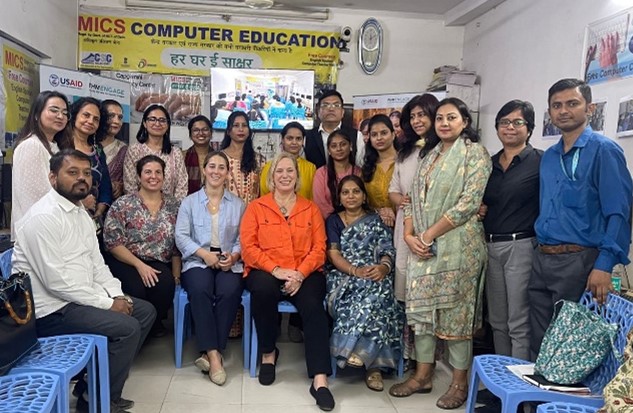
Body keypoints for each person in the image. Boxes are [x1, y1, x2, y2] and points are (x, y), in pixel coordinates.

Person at [12, 149, 156, 413]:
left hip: (79, 299)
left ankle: (92, 383)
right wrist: (107, 304)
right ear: (52, 177)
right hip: (52, 311)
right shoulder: (42, 218)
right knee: (127, 328)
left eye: (87, 173)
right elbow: (57, 283)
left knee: (145, 312)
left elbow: (96, 265)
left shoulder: (80, 213)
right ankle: (101, 400)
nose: (82, 178)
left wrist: (118, 296)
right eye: (73, 172)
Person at [389, 98, 491, 410]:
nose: (444, 123)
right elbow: (411, 200)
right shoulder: (429, 155)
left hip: (458, 248)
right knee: (421, 316)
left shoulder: (475, 154)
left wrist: (427, 234)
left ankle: (459, 383)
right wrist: (409, 234)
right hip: (422, 247)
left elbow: (468, 203)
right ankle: (422, 376)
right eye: (441, 118)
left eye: (452, 117)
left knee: (456, 318)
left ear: (465, 122)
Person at [529, 78, 633, 358]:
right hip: (542, 258)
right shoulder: (549, 156)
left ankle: (559, 401)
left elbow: (619, 212)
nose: (563, 111)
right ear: (549, 112)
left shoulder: (604, 151)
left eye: (572, 104)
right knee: (539, 338)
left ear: (590, 108)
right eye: (556, 105)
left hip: (579, 260)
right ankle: (535, 403)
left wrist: (604, 264)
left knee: (569, 346)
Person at [240, 152, 335, 411]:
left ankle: (319, 379)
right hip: (266, 270)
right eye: (279, 171)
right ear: (271, 178)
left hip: (305, 272)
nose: (284, 175)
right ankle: (269, 353)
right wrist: (277, 269)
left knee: (314, 306)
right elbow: (248, 248)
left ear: (297, 177)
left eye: (289, 171)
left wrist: (301, 273)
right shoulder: (256, 208)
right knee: (262, 290)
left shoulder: (310, 208)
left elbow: (319, 248)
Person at [326, 175, 404, 392]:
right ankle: (369, 363)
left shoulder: (376, 219)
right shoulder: (333, 221)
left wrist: (383, 268)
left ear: (363, 196)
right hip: (343, 276)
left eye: (355, 191)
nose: (351, 196)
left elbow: (387, 249)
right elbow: (333, 254)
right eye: (345, 192)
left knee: (381, 292)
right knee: (368, 294)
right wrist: (354, 270)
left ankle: (370, 363)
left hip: (375, 273)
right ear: (340, 197)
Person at [176, 151, 245, 386]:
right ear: (204, 170)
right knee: (200, 288)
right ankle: (215, 355)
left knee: (230, 290)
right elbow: (181, 236)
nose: (216, 171)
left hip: (228, 261)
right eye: (212, 166)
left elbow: (243, 239)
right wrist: (204, 254)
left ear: (227, 173)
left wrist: (234, 255)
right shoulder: (189, 202)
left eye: (221, 167)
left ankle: (207, 351)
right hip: (198, 260)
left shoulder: (238, 204)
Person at [103, 154, 179, 337]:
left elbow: (178, 244)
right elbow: (113, 243)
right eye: (148, 172)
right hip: (126, 260)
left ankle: (153, 325)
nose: (153, 176)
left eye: (158, 172)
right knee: (135, 288)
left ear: (164, 176)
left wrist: (177, 275)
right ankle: (132, 329)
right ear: (138, 177)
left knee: (165, 284)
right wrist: (140, 265)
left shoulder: (175, 205)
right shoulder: (123, 204)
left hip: (160, 261)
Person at [388, 94, 439, 303]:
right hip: (405, 224)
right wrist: (402, 200)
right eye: (413, 116)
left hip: (434, 223)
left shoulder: (442, 150)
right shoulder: (405, 152)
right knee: (405, 283)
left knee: (429, 286)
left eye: (422, 115)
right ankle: (409, 335)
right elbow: (393, 190)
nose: (416, 120)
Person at [11, 90, 72, 240]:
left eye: (65, 113)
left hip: (55, 229)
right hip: (37, 234)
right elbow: (36, 198)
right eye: (54, 110)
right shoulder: (31, 146)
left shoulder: (56, 146)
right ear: (37, 114)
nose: (60, 116)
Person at [123, 104, 188, 201]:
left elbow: (182, 186)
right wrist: (140, 209)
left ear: (167, 125)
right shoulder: (134, 150)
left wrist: (173, 209)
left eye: (162, 120)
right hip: (139, 211)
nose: (157, 123)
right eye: (152, 119)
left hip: (171, 211)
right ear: (145, 123)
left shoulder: (176, 152)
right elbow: (129, 185)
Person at [70, 97, 113, 227]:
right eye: (86, 115)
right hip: (66, 218)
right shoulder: (61, 147)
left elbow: (106, 185)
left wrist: (99, 211)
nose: (90, 121)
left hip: (92, 220)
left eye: (96, 119)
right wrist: (80, 204)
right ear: (75, 115)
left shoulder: (98, 150)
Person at [312, 130, 361, 220]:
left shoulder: (359, 172)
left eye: (343, 144)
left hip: (357, 221)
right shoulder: (321, 173)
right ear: (329, 151)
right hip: (329, 222)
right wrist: (340, 221)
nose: (339, 149)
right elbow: (320, 204)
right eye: (334, 146)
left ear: (350, 146)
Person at [260, 122, 316, 199]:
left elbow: (312, 198)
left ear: (303, 141)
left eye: (298, 139)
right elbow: (264, 195)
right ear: (282, 139)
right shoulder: (269, 166)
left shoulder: (310, 168)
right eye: (290, 138)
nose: (294, 142)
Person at [304, 90, 358, 169]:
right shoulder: (306, 137)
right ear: (318, 112)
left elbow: (361, 166)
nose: (331, 109)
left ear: (343, 112)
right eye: (325, 105)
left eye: (336, 105)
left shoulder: (356, 136)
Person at [362, 114, 397, 227]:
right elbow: (363, 202)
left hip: (405, 223)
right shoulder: (368, 167)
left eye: (384, 133)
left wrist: (395, 211)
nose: (379, 138)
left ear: (393, 134)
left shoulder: (404, 162)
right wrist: (380, 212)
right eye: (374, 134)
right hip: (376, 227)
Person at [220, 111, 261, 204]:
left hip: (253, 215)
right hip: (226, 214)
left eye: (244, 125)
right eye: (236, 125)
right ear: (228, 131)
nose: (241, 129)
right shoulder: (219, 158)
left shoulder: (259, 160)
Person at [97, 99, 127, 200]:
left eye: (120, 117)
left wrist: (121, 186)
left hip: (112, 206)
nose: (116, 121)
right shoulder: (87, 145)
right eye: (111, 116)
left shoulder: (124, 149)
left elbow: (130, 179)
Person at [183, 115, 213, 195]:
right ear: (190, 135)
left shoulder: (218, 157)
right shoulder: (182, 156)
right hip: (189, 203)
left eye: (205, 129)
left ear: (211, 133)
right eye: (196, 130)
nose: (201, 133)